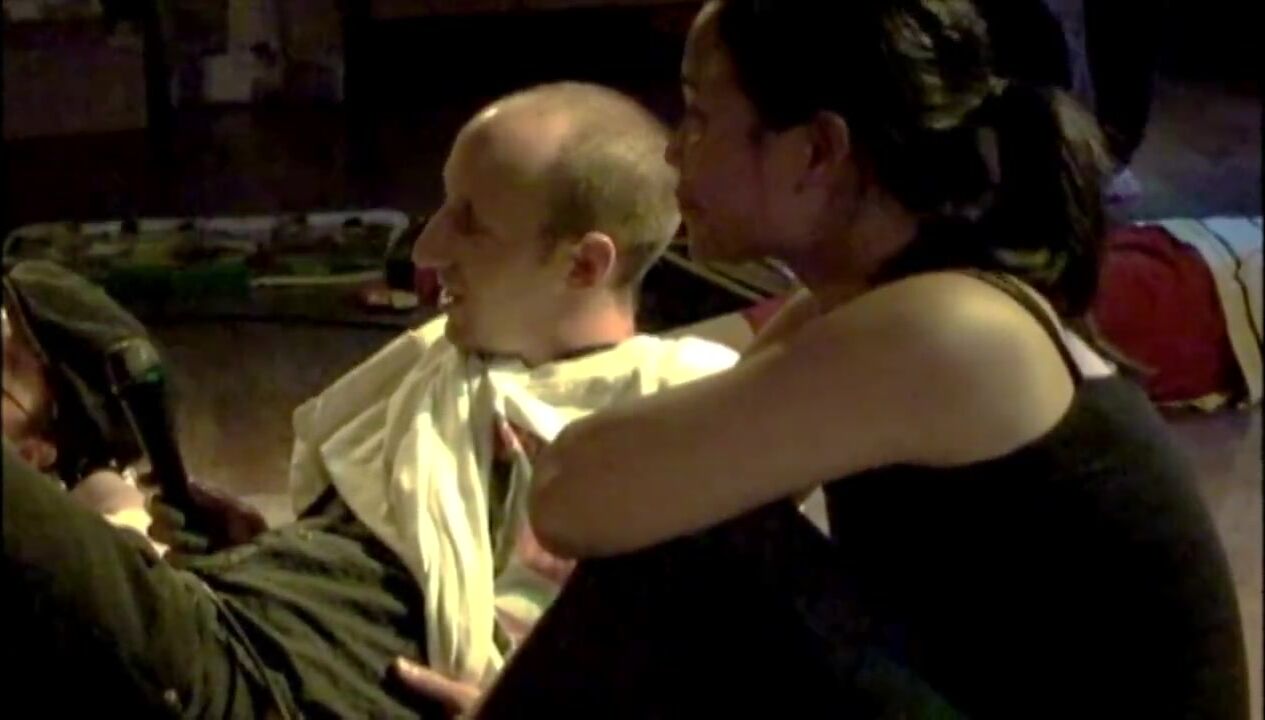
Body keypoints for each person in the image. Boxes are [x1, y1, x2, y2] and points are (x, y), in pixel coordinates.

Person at [459, 2, 1249, 717]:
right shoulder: (862, 305)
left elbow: (574, 499)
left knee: (691, 540)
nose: (672, 152)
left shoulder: (945, 329)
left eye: (698, 116)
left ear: (816, 150)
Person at [1, 81, 738, 718]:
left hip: (259, 678)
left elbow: (721, 648)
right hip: (232, 609)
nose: (426, 248)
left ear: (582, 264)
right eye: (442, 207)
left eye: (470, 222)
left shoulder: (668, 397)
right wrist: (267, 543)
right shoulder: (442, 365)